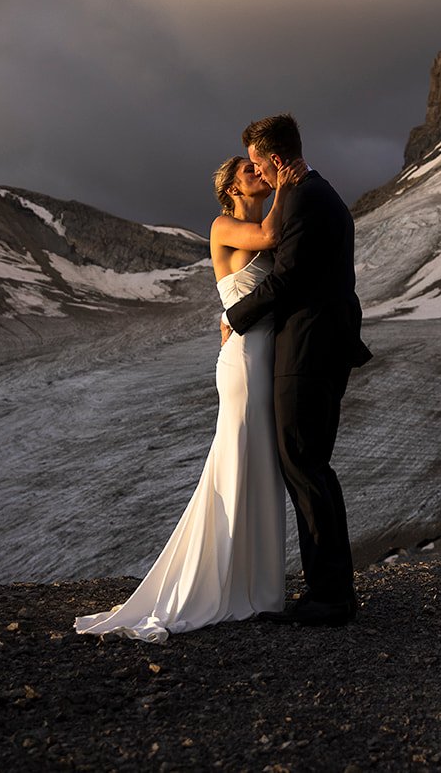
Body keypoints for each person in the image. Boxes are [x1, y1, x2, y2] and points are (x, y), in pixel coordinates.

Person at [75, 155, 301, 642]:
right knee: (238, 458)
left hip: (263, 352)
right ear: (231, 191)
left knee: (260, 463)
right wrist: (285, 182)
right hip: (243, 360)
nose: (258, 176)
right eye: (249, 173)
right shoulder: (224, 224)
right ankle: (224, 584)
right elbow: (269, 240)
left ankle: (260, 589)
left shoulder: (255, 217)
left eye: (261, 171)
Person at [223, 113, 372, 627]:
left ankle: (329, 597)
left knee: (304, 463)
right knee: (314, 465)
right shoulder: (320, 193)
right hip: (322, 345)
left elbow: (285, 278)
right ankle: (334, 591)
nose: (258, 175)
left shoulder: (306, 198)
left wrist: (233, 316)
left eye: (261, 165)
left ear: (277, 161)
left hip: (307, 350)